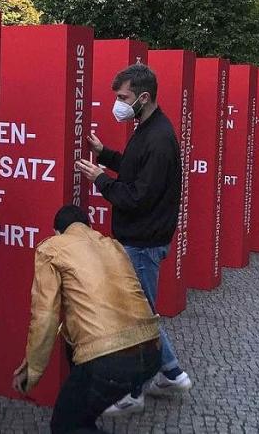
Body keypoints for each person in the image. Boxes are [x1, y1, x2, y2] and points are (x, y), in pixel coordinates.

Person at [75, 63, 192, 417]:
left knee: (137, 319)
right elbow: (134, 168)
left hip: (142, 242)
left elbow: (138, 196)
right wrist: (105, 155)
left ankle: (137, 390)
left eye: (123, 97)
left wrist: (100, 181)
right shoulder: (148, 128)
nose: (118, 104)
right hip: (140, 238)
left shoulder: (159, 138)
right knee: (138, 315)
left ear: (144, 97)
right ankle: (170, 373)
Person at [12, 205, 161, 434]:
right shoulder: (113, 245)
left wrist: (33, 370)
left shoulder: (52, 248)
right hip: (151, 351)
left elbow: (45, 317)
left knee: (66, 426)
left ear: (57, 232)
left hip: (108, 360)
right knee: (82, 411)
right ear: (88, 227)